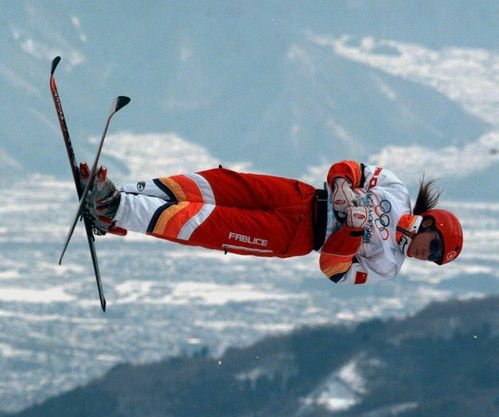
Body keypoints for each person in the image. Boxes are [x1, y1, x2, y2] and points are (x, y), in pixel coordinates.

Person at [80, 159, 464, 285]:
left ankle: (115, 208)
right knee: (216, 184)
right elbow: (348, 168)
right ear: (429, 224)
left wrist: (351, 231)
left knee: (209, 223)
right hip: (299, 195)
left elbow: (333, 270)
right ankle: (117, 197)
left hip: (295, 236)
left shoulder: (387, 266)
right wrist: (344, 184)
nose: (424, 254)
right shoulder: (395, 192)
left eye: (431, 258)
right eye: (432, 246)